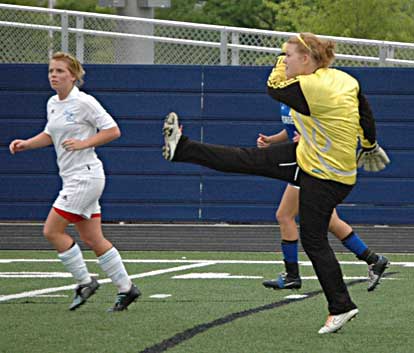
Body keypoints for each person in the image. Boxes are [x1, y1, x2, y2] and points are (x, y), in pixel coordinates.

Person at [161, 32, 390, 334]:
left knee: (314, 239)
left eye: (289, 54)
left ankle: (342, 306)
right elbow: (365, 111)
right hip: (309, 157)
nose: (284, 59)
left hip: (325, 177)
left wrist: (279, 67)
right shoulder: (342, 78)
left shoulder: (312, 85)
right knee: (246, 158)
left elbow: (274, 87)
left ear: (306, 59)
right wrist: (370, 144)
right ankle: (183, 148)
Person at [9, 52, 140, 312]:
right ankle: (127, 289)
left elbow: (113, 130)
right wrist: (27, 144)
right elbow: (50, 134)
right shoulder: (52, 103)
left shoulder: (84, 102)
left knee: (51, 231)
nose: (53, 76)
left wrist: (84, 143)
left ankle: (84, 281)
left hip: (85, 177)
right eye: (51, 71)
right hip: (74, 178)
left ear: (73, 75)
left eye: (59, 71)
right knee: (93, 238)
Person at [257, 103, 389, 292]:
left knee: (285, 215)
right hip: (307, 162)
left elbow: (326, 126)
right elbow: (292, 128)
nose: (283, 72)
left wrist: (308, 138)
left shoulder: (307, 93)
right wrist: (271, 140)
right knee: (330, 220)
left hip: (311, 163)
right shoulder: (286, 95)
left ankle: (292, 275)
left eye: (285, 70)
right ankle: (374, 260)